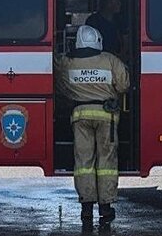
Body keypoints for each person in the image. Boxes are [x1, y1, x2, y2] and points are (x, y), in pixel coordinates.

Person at [55, 25, 130, 223]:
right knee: (106, 162)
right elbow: (124, 85)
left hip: (79, 115)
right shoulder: (110, 60)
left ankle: (86, 208)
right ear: (98, 41)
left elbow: (61, 87)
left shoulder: (67, 62)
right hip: (107, 116)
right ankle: (105, 208)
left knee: (83, 162)